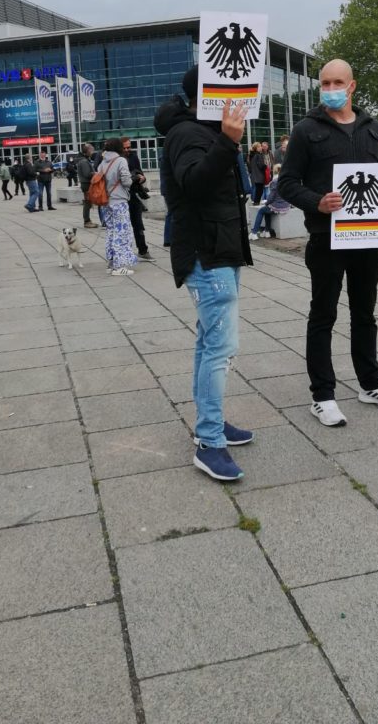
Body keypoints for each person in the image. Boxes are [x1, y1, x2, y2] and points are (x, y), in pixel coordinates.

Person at [278, 58, 378, 427]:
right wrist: (317, 201)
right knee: (323, 314)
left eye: (337, 82)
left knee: (365, 313)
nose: (331, 89)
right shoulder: (305, 130)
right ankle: (322, 395)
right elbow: (287, 182)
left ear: (352, 86)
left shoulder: (375, 130)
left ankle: (371, 383)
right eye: (325, 83)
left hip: (366, 237)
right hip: (326, 237)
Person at [154, 66, 254, 482]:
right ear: (209, 93)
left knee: (208, 342)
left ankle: (210, 424)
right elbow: (194, 183)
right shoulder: (188, 134)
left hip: (218, 251)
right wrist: (228, 142)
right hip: (206, 255)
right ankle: (210, 440)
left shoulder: (200, 131)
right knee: (220, 347)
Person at [98, 138, 137, 276]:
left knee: (111, 232)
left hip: (106, 202)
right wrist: (133, 179)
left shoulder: (102, 163)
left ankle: (111, 263)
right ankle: (119, 266)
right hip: (119, 201)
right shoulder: (121, 161)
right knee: (122, 232)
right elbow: (126, 182)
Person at [121, 137, 152, 260]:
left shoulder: (133, 156)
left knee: (138, 223)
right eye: (125, 147)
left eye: (129, 147)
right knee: (124, 226)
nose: (127, 149)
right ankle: (125, 251)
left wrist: (142, 178)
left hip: (134, 193)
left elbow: (140, 172)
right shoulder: (118, 159)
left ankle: (143, 250)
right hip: (123, 195)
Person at [249, 163, 291, 239]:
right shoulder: (286, 181)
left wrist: (266, 202)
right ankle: (267, 231)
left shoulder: (275, 182)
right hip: (286, 205)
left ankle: (254, 232)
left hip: (278, 206)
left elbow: (271, 198)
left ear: (274, 171)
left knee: (261, 210)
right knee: (267, 210)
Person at [75, 143, 98, 228]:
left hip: (86, 184)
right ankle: (87, 221)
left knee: (88, 203)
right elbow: (87, 174)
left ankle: (88, 220)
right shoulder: (84, 161)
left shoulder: (84, 160)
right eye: (92, 150)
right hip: (86, 185)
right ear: (88, 151)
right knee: (87, 203)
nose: (93, 152)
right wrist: (96, 173)